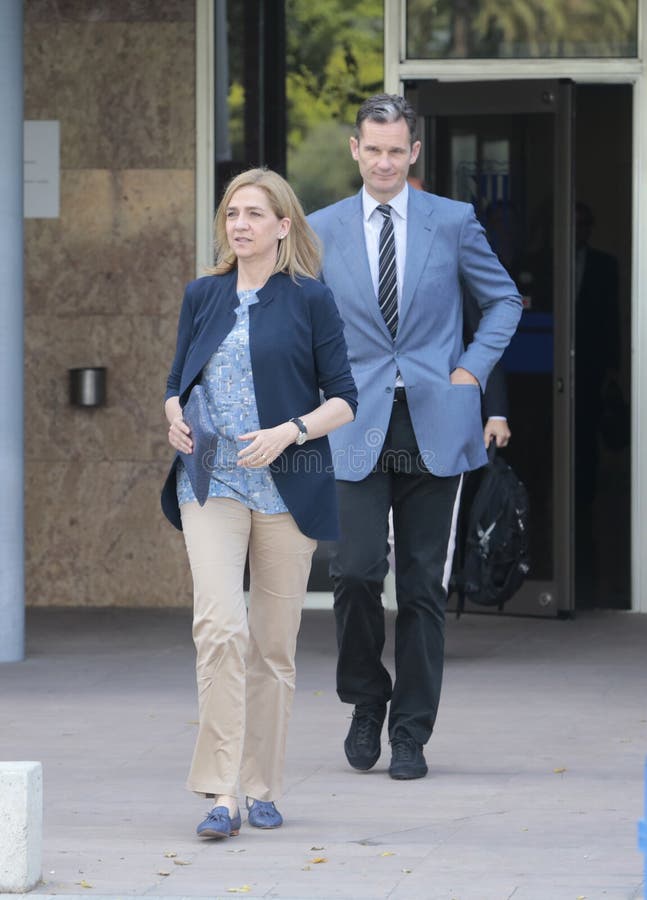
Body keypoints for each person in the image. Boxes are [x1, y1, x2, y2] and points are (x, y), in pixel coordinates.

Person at [308, 94, 521, 780]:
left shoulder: (452, 221)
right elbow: (299, 320)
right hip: (350, 423)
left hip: (436, 421)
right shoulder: (320, 229)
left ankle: (410, 731)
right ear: (354, 150)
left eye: (395, 150)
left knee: (423, 587)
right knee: (355, 571)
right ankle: (366, 698)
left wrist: (469, 371)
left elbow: (504, 300)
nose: (383, 162)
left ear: (414, 152)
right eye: (372, 150)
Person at [161, 168, 357, 838]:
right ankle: (221, 794)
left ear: (282, 226)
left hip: (287, 484)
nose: (239, 223)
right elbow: (175, 379)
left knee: (272, 646)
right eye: (231, 212)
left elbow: (343, 399)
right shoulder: (202, 295)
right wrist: (171, 415)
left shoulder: (309, 300)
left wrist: (289, 431)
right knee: (220, 628)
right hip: (210, 481)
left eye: (253, 213)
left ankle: (262, 784)